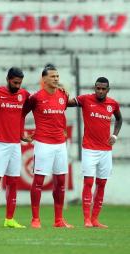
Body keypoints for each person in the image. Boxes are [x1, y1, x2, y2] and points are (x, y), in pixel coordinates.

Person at [67, 77, 122, 228]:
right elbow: (67, 103)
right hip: (89, 149)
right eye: (98, 88)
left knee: (102, 183)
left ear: (108, 90)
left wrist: (115, 135)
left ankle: (95, 219)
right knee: (88, 182)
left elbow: (119, 119)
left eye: (103, 89)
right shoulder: (85, 99)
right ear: (95, 88)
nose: (100, 91)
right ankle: (87, 219)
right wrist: (61, 94)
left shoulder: (113, 104)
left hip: (105, 150)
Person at [23, 64, 73, 229]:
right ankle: (35, 219)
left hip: (60, 144)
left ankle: (59, 220)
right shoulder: (35, 97)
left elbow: (60, 114)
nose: (56, 79)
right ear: (44, 79)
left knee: (60, 181)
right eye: (52, 76)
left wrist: (63, 130)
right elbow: (21, 114)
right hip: (43, 143)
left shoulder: (62, 95)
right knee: (38, 181)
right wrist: (20, 133)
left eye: (57, 76)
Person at [0, 67, 30, 229]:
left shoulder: (23, 94)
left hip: (15, 145)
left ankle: (9, 219)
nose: (17, 86)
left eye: (20, 83)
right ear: (8, 79)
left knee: (13, 182)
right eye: (15, 82)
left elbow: (36, 102)